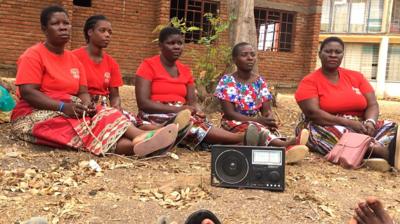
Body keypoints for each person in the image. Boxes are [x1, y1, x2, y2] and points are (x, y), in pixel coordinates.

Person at [11, 5, 178, 157]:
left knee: (106, 113)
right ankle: (140, 144)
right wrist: (62, 107)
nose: (63, 27)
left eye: (66, 23)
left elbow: (82, 92)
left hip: (69, 108)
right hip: (34, 113)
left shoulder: (73, 60)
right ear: (44, 29)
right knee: (81, 129)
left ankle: (140, 141)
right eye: (56, 24)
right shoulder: (33, 55)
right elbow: (28, 92)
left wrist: (87, 105)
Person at [135, 27, 261, 150]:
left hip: (182, 114)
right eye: (171, 43)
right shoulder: (148, 66)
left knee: (198, 122)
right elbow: (143, 103)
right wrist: (178, 109)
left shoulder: (185, 71)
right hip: (155, 115)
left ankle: (232, 141)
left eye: (180, 43)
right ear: (161, 45)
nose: (177, 47)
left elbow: (193, 103)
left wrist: (198, 111)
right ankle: (239, 139)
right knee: (189, 125)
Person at [295, 36, 399, 171]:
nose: (333, 55)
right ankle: (381, 152)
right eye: (328, 51)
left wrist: (370, 122)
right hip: (325, 123)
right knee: (333, 133)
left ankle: (365, 152)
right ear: (320, 54)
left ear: (342, 55)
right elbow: (313, 113)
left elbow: (372, 104)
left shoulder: (356, 77)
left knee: (390, 125)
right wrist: (348, 123)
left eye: (337, 52)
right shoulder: (309, 81)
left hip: (359, 124)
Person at [214, 42, 310, 163]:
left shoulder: (259, 81)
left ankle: (287, 152)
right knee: (256, 129)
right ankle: (284, 145)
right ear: (235, 60)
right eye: (244, 55)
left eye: (252, 55)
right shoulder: (227, 80)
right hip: (233, 124)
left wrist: (268, 118)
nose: (250, 58)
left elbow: (266, 110)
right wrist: (258, 121)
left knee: (260, 131)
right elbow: (230, 114)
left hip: (257, 124)